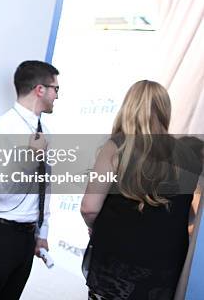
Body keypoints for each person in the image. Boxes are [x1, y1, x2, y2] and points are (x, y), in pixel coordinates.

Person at [81, 80, 202, 300]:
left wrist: (93, 226)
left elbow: (89, 208)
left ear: (129, 106)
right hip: (162, 272)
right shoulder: (189, 154)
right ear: (165, 110)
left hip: (116, 267)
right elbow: (189, 215)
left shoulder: (116, 147)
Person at [0, 61, 59, 300]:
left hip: (27, 236)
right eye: (55, 89)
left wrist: (42, 231)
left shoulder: (45, 130)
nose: (57, 95)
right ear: (40, 89)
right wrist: (30, 158)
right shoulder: (2, 129)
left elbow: (44, 185)